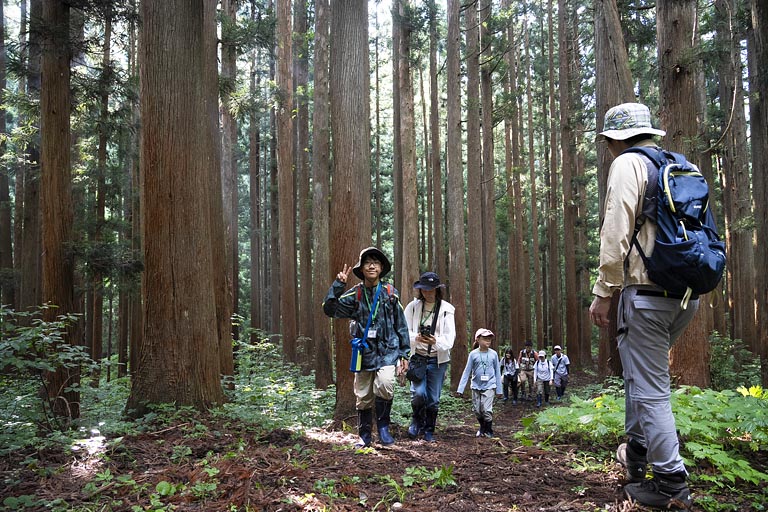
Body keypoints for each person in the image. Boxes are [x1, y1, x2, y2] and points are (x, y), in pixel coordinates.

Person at [589, 103, 697, 509]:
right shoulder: (679, 164)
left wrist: (604, 291)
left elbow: (615, 230)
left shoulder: (627, 165)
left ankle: (671, 482)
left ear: (615, 139)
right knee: (640, 376)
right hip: (686, 295)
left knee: (651, 389)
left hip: (646, 295)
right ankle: (636, 457)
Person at [323, 247, 411, 448]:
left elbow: (401, 324)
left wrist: (404, 352)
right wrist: (338, 285)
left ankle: (383, 429)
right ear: (361, 269)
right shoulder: (355, 294)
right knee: (362, 395)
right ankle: (364, 435)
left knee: (386, 384)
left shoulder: (390, 293)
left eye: (376, 263)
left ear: (381, 269)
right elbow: (329, 309)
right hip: (364, 353)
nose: (372, 266)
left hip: (388, 350)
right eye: (367, 262)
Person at [403, 271, 456, 442]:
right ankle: (416, 421)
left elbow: (450, 338)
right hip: (418, 358)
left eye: (431, 289)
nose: (427, 292)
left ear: (437, 290)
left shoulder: (447, 309)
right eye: (424, 289)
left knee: (433, 399)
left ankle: (429, 429)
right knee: (418, 394)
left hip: (437, 360)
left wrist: (435, 341)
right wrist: (415, 338)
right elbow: (403, 332)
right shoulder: (413, 307)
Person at [456, 329, 503, 438]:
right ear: (478, 339)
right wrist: (460, 389)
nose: (488, 341)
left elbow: (497, 371)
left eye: (489, 339)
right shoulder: (473, 354)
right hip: (476, 386)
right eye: (485, 338)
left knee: (486, 409)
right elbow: (467, 371)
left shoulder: (493, 354)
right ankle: (482, 427)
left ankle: (489, 430)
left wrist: (499, 390)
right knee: (477, 410)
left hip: (489, 385)